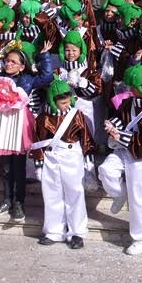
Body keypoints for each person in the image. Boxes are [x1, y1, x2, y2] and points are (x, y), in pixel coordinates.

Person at [0, 39, 55, 222]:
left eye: (13, 62)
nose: (8, 64)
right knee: (6, 167)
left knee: (18, 167)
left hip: (19, 124)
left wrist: (44, 56)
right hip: (2, 123)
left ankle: (19, 203)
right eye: (7, 60)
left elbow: (47, 76)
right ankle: (6, 200)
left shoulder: (28, 79)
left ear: (22, 66)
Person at [100, 65, 142, 255]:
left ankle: (141, 238)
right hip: (126, 147)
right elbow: (121, 117)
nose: (129, 89)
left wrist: (120, 135)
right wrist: (112, 125)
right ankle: (119, 194)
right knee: (106, 170)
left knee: (138, 195)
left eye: (133, 86)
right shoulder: (130, 102)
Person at [31, 80, 94, 249]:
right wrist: (39, 163)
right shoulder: (43, 118)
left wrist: (89, 160)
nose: (66, 104)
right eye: (62, 101)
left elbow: (86, 137)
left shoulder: (76, 114)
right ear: (53, 100)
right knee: (52, 194)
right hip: (51, 156)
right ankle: (54, 231)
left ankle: (77, 232)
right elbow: (37, 141)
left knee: (75, 193)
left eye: (68, 100)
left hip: (72, 155)